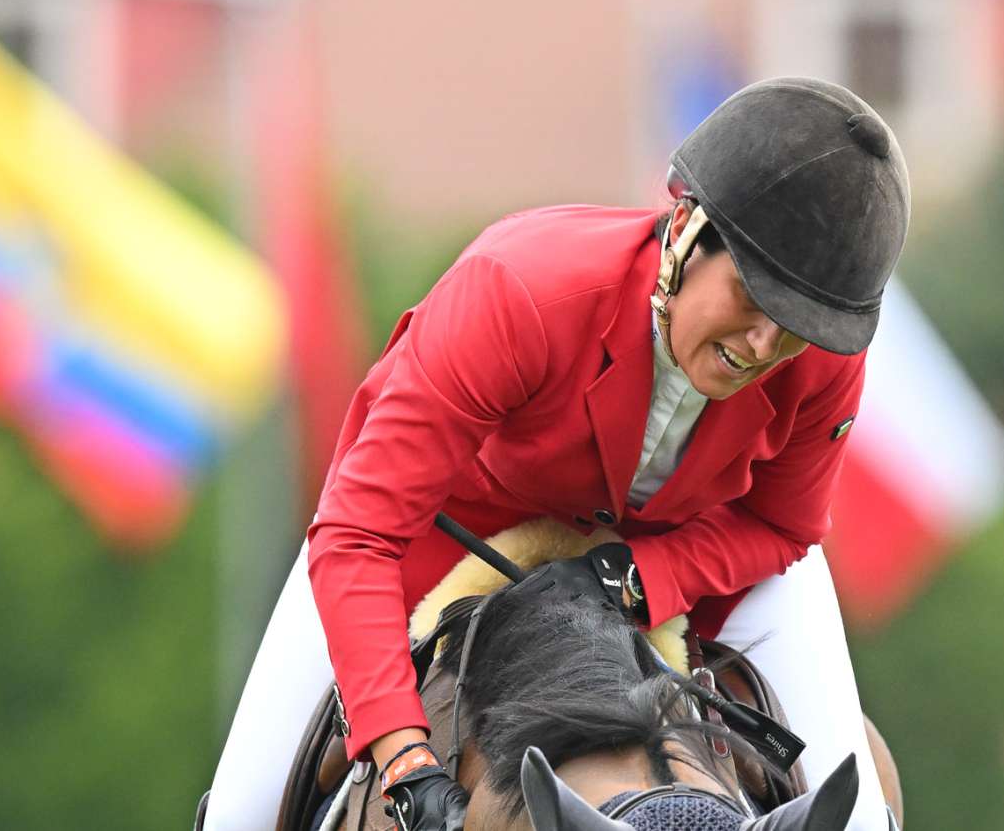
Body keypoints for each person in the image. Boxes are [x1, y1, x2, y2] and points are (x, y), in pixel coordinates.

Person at [203, 76, 911, 831]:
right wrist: (406, 758)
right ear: (684, 231)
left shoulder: (823, 358)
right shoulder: (519, 292)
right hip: (432, 547)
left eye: (797, 325)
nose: (763, 347)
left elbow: (781, 528)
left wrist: (641, 577)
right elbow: (358, 533)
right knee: (241, 815)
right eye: (749, 297)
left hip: (695, 566)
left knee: (859, 818)